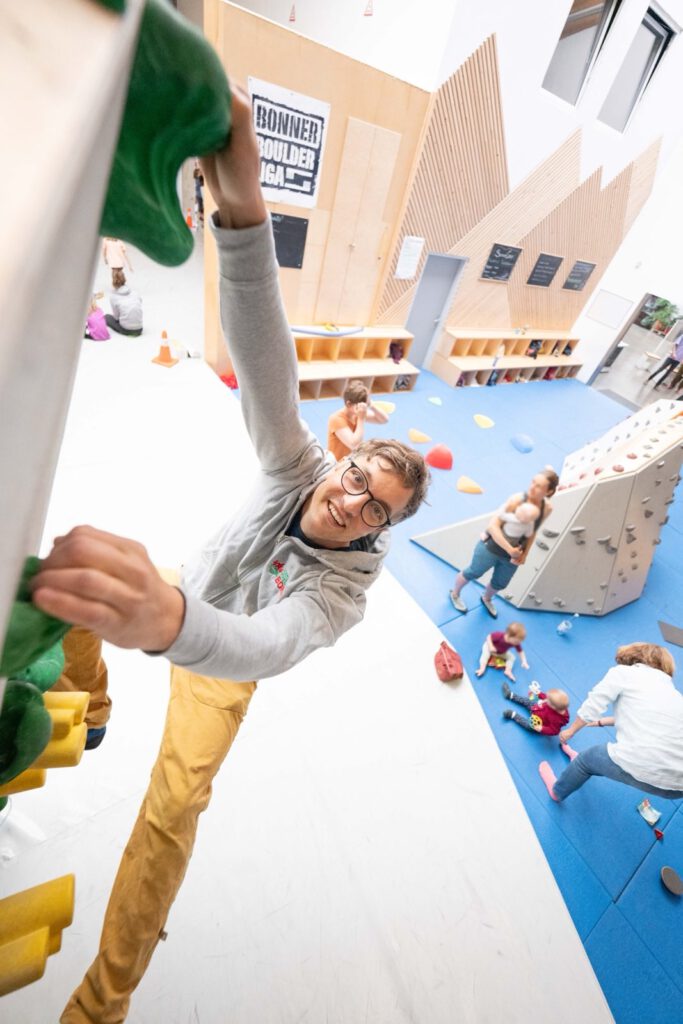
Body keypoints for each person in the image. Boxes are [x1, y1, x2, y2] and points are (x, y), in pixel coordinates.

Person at [32, 83, 429, 1024]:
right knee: (74, 566)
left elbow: (261, 646)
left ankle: (101, 1006)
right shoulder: (298, 463)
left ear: (376, 532)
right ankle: (91, 705)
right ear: (344, 461)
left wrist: (168, 624)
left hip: (216, 667)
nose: (347, 499)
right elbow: (266, 364)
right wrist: (243, 218)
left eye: (370, 506)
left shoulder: (341, 599)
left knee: (170, 823)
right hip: (185, 590)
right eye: (356, 474)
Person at [538, 642, 683, 802]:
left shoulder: (625, 673)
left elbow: (593, 705)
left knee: (585, 761)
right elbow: (650, 719)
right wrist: (601, 722)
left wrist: (570, 730)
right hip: (677, 790)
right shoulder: (673, 694)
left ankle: (557, 792)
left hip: (641, 765)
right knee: (604, 762)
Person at [449, 467, 558, 619]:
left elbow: (532, 531)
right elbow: (492, 527)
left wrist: (524, 554)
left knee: (501, 582)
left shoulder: (547, 508)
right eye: (533, 482)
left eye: (539, 486)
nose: (532, 487)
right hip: (492, 547)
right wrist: (510, 550)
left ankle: (486, 598)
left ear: (549, 492)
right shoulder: (516, 501)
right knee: (474, 572)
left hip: (513, 553)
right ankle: (455, 594)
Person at [327, 379, 389, 461]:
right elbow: (354, 444)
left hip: (349, 459)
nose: (362, 409)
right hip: (336, 463)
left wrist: (371, 405)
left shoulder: (356, 413)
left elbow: (384, 420)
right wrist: (361, 418)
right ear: (348, 404)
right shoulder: (336, 419)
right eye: (359, 406)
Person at [502, 681, 569, 735]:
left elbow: (554, 731)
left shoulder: (556, 719)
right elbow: (546, 697)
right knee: (527, 701)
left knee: (528, 726)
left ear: (553, 707)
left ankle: (512, 715)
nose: (546, 699)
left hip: (538, 721)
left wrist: (541, 728)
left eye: (548, 701)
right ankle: (510, 695)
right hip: (536, 708)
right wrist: (539, 693)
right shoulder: (556, 704)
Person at [105, 269, 143, 337]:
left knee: (106, 317)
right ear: (124, 280)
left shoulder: (113, 297)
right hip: (139, 329)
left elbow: (116, 318)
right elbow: (139, 304)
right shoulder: (135, 293)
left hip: (126, 330)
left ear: (113, 282)